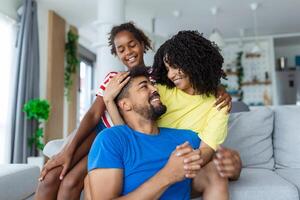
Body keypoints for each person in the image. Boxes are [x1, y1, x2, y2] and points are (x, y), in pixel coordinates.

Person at [35, 22, 239, 200]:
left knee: (73, 182)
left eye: (132, 44)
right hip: (101, 131)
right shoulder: (122, 79)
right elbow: (96, 117)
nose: (128, 52)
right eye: (121, 49)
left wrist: (216, 87)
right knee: (55, 178)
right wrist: (67, 149)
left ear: (143, 44)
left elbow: (206, 148)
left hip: (124, 136)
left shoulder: (157, 79)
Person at [103, 30, 231, 199]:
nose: (171, 75)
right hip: (144, 162)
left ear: (193, 61)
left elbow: (207, 150)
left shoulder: (218, 104)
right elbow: (131, 133)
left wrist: (183, 161)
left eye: (175, 66)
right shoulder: (160, 90)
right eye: (168, 68)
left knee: (216, 173)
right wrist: (109, 101)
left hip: (183, 168)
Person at [87, 66, 227, 200]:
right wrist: (167, 176)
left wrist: (236, 166)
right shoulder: (111, 140)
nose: (155, 89)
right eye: (144, 86)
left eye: (152, 84)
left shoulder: (186, 139)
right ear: (125, 105)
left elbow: (221, 161)